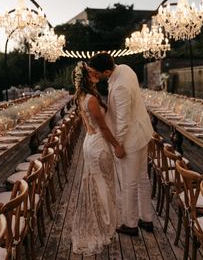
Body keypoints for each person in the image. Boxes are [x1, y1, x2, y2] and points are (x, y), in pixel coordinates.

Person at [88, 52, 154, 236]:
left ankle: (131, 224)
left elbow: (123, 121)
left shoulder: (120, 87)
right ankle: (147, 219)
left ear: (107, 71)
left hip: (132, 138)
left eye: (96, 72)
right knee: (142, 178)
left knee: (129, 181)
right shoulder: (124, 68)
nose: (94, 75)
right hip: (142, 132)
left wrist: (119, 145)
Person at [71, 61, 125, 256]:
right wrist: (117, 145)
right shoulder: (92, 99)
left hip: (90, 141)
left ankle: (104, 223)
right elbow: (103, 127)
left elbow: (89, 125)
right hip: (98, 145)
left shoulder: (81, 96)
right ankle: (106, 226)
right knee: (104, 185)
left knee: (99, 184)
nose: (95, 73)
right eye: (91, 72)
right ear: (86, 77)